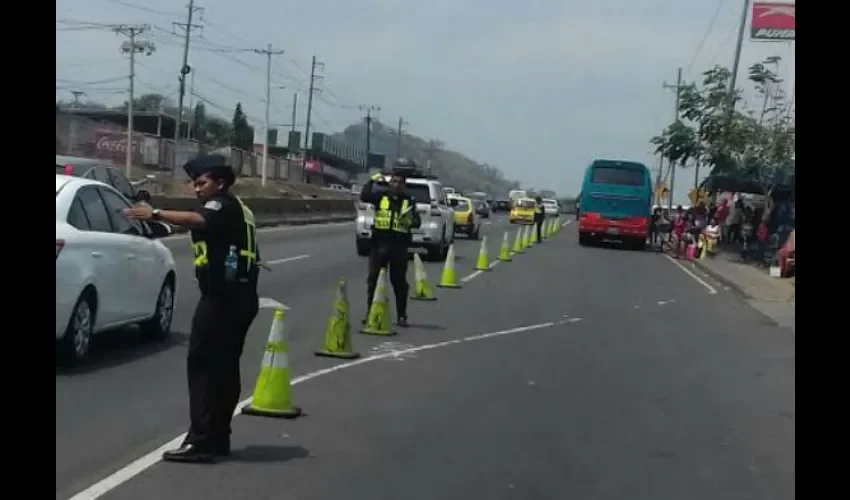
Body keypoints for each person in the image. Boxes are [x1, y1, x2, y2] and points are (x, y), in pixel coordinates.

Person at [124, 154, 260, 463]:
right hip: (239, 297)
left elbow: (198, 220)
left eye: (202, 183)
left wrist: (155, 212)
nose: (196, 189)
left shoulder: (221, 205)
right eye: (194, 183)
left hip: (222, 300)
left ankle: (200, 440)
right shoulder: (240, 209)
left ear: (221, 183)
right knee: (225, 370)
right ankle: (217, 437)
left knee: (202, 368)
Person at [360, 160, 422, 327]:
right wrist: (372, 180)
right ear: (389, 183)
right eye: (393, 181)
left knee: (399, 282)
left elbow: (417, 222)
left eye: (399, 182)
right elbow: (364, 195)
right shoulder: (381, 197)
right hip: (378, 244)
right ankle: (370, 312)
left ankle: (401, 315)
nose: (396, 185)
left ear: (404, 185)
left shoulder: (408, 201)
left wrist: (409, 220)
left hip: (399, 248)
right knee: (373, 281)